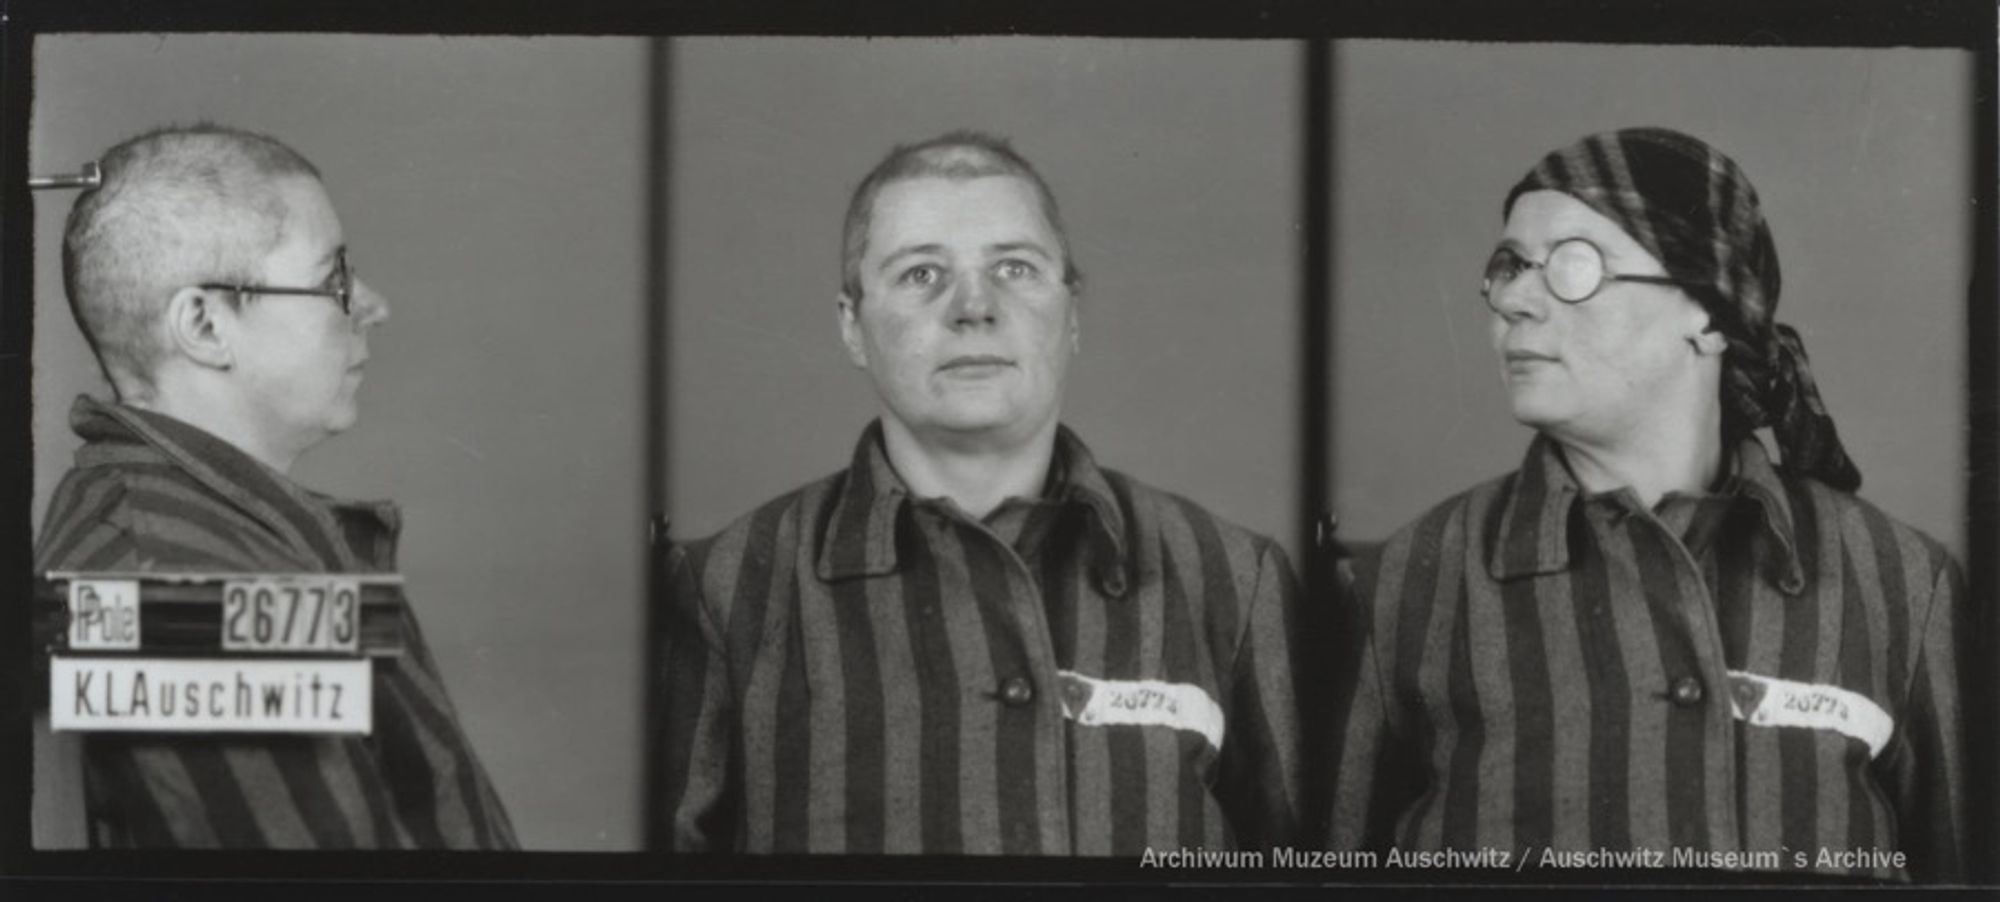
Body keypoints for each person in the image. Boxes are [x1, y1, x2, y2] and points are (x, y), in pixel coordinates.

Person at [1327, 127, 1966, 882]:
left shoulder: (1898, 583)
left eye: (1572, 265)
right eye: (1508, 268)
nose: (1516, 303)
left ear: (1709, 313)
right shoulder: (1409, 584)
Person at [655, 131, 1311, 854]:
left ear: (1073, 312)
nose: (974, 307)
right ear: (851, 325)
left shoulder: (1231, 578)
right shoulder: (726, 589)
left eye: (1014, 267)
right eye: (920, 274)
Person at [34, 124, 517, 848]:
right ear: (204, 324)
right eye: (335, 279)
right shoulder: (190, 593)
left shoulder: (188, 540)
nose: (373, 305)